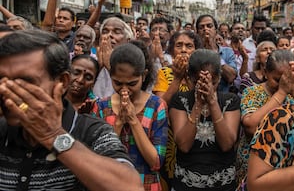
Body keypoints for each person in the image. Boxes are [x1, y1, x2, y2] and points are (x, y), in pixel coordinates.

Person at [0, 30, 143, 190]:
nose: (6, 90)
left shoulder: (92, 132)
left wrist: (54, 137)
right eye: (2, 80)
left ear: (62, 81)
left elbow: (130, 186)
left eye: (23, 82)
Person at [96, 43, 168, 191]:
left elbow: (156, 162)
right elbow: (99, 160)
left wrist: (133, 121)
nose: (124, 90)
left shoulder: (156, 106)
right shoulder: (102, 107)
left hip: (146, 185)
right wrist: (119, 123)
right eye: (117, 83)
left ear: (144, 75)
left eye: (132, 84)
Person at [169, 49, 241, 191]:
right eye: (198, 83)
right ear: (189, 78)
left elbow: (227, 144)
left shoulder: (230, 101)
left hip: (223, 186)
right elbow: (183, 145)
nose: (206, 87)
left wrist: (212, 103)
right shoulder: (180, 100)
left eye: (212, 83)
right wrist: (198, 104)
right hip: (186, 185)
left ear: (219, 79)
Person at [237, 50, 294, 184]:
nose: (283, 84)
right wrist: (281, 93)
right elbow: (250, 126)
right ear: (266, 73)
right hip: (255, 167)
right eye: (278, 80)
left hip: (288, 168)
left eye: (288, 79)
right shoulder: (253, 92)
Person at [152, 30, 202, 191]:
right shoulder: (165, 73)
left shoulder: (201, 74)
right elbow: (160, 105)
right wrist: (178, 78)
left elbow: (202, 100)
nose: (184, 50)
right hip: (169, 137)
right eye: (179, 45)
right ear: (172, 50)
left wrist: (190, 77)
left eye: (189, 46)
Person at [196, 14, 237, 93]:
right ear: (197, 32)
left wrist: (214, 52)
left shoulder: (227, 52)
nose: (206, 29)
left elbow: (231, 77)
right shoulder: (194, 53)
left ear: (215, 31)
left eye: (209, 26)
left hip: (222, 100)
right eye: (201, 27)